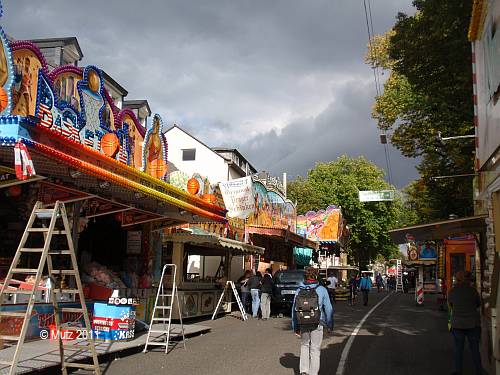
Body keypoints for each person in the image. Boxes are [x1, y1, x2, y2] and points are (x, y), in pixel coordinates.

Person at [292, 267, 333, 375]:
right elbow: (328, 308)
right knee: (315, 349)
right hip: (317, 322)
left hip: (303, 322)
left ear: (305, 276)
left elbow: (294, 309)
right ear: (316, 276)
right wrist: (329, 324)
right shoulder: (322, 290)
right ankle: (313, 373)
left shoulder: (299, 290)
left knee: (304, 345)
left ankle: (303, 371)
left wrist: (295, 326)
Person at [448, 271, 486, 375]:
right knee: (474, 349)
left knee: (458, 349)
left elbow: (451, 304)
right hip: (473, 323)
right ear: (468, 280)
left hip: (458, 324)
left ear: (457, 280)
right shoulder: (473, 291)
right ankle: (479, 370)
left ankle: (457, 370)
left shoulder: (452, 291)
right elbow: (478, 304)